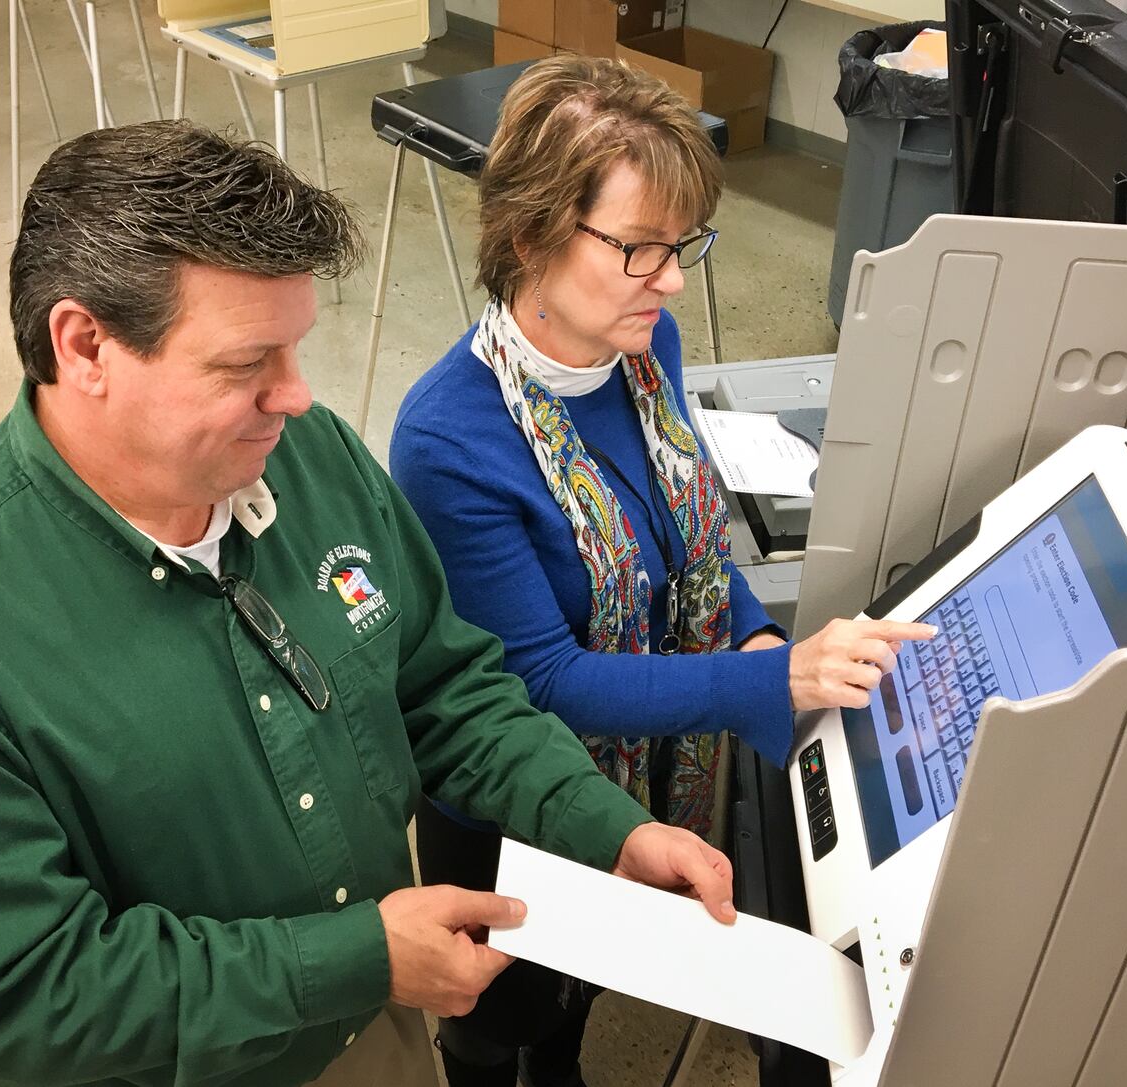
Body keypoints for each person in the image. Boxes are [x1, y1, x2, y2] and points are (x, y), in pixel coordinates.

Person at [0, 121, 741, 1087]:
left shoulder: (315, 461)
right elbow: (27, 998)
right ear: (84, 344)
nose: (296, 398)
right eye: (248, 365)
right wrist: (354, 958)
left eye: (297, 350)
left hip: (376, 1028)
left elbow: (446, 685)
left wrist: (602, 822)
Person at [389, 57, 934, 1087]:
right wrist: (764, 681)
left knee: (582, 1000)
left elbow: (688, 552)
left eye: (680, 246)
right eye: (639, 248)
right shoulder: (447, 437)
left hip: (637, 771)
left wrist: (758, 639)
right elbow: (538, 683)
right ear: (527, 236)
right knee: (514, 1029)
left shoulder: (647, 343)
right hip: (514, 811)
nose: (673, 279)